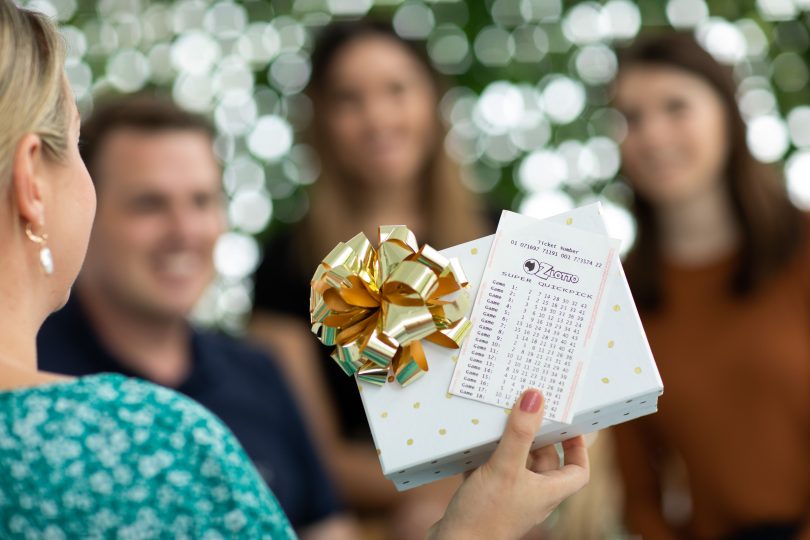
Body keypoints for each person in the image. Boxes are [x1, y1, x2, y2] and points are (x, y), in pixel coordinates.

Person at [0, 1, 589, 538]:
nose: (377, 116)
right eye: (148, 203)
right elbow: (325, 467)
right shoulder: (165, 423)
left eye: (204, 200)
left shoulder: (502, 235)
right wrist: (469, 515)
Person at [35, 95, 354, 538]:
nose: (184, 231)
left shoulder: (261, 373)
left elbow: (328, 531)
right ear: (84, 210)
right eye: (149, 204)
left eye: (202, 201)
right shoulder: (27, 374)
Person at [249, 19, 492, 538]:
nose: (376, 116)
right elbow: (312, 452)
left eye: (396, 90)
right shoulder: (284, 268)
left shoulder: (497, 237)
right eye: (348, 99)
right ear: (320, 121)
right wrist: (461, 497)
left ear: (433, 103)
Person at [612, 32, 810, 540]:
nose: (651, 136)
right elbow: (638, 488)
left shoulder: (803, 246)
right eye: (632, 118)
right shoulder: (622, 295)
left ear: (728, 114)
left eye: (675, 107)